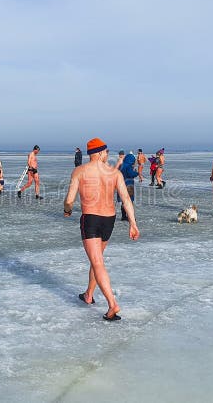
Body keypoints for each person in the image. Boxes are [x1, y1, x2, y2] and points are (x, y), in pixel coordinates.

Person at [64, 137, 139, 321]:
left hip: (90, 219)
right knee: (97, 259)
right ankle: (89, 294)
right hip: (109, 220)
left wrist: (67, 211)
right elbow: (126, 200)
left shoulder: (80, 171)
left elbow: (69, 200)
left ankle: (112, 304)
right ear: (98, 153)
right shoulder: (114, 173)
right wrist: (133, 223)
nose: (107, 155)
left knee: (97, 262)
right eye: (105, 152)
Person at [118, 152, 139, 220]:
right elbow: (131, 174)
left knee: (123, 201)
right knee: (129, 201)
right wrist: (136, 173)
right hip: (128, 185)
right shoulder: (129, 166)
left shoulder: (121, 165)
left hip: (120, 185)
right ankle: (130, 217)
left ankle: (123, 216)